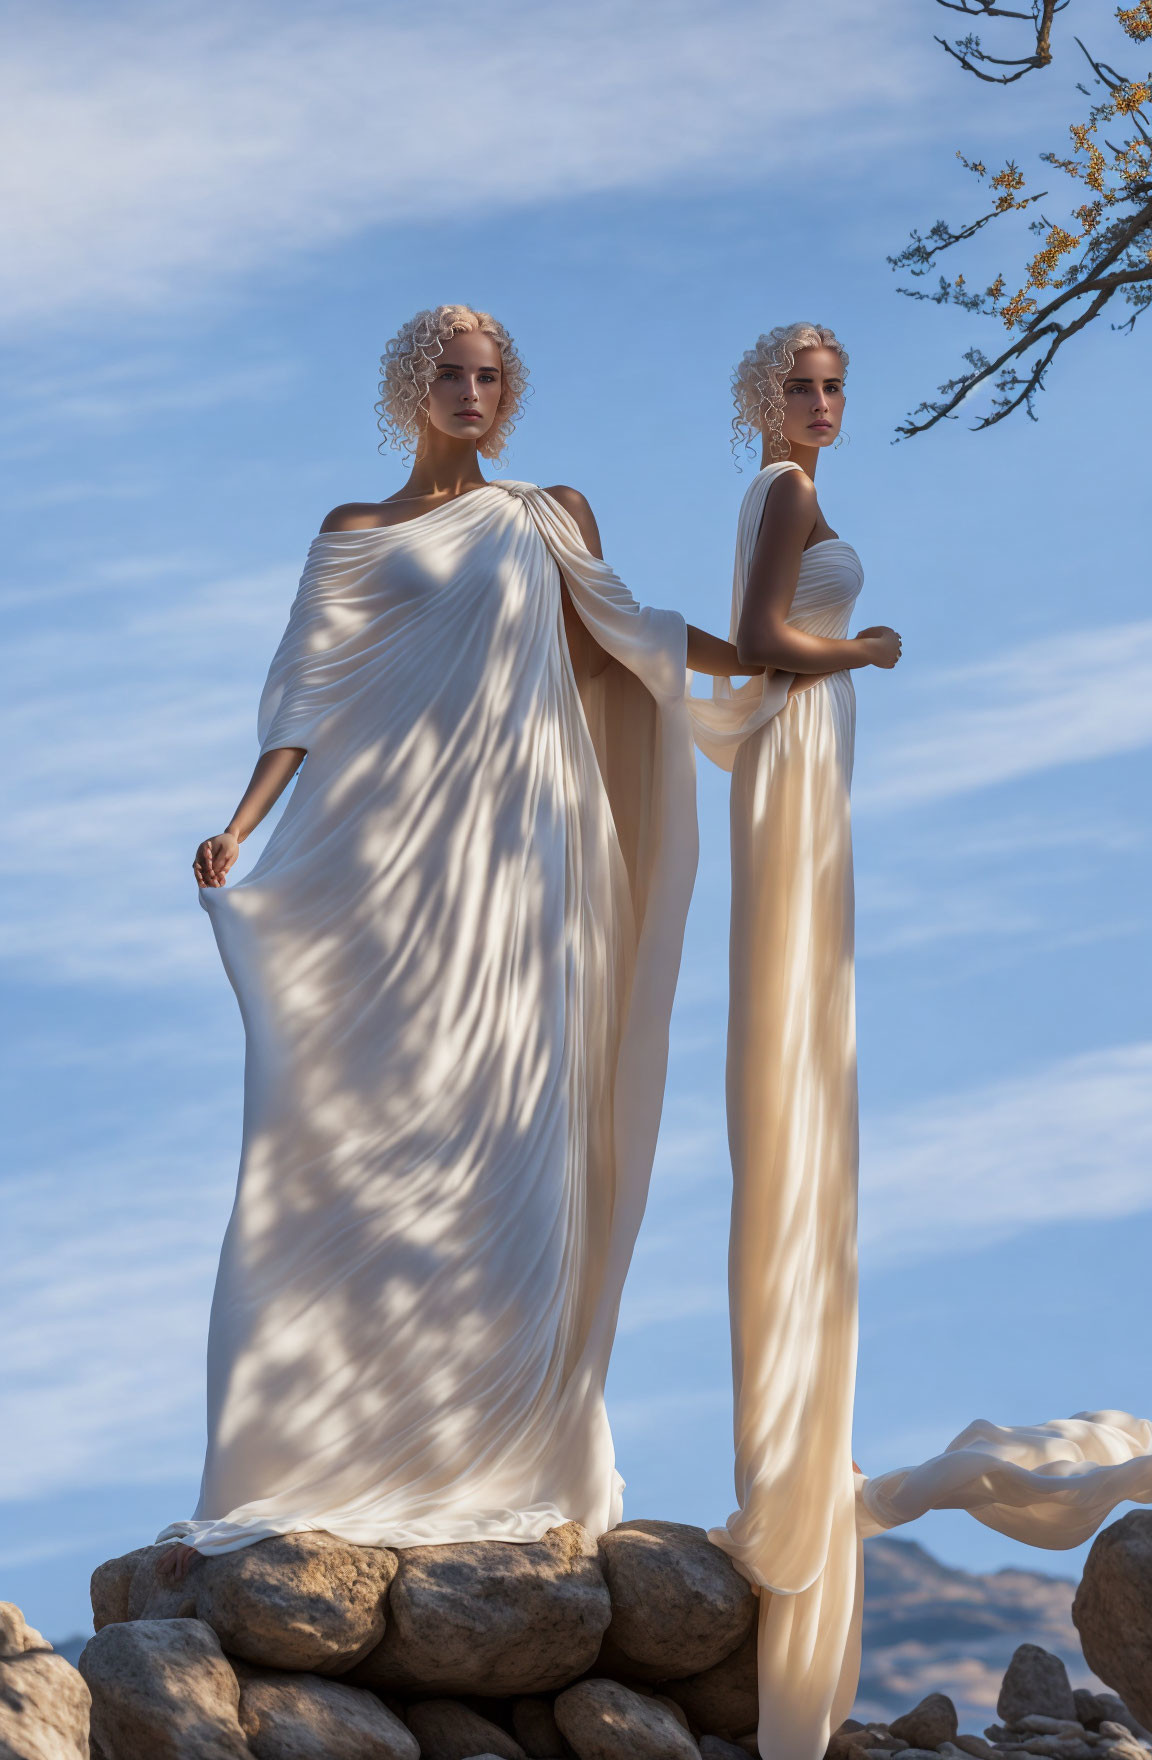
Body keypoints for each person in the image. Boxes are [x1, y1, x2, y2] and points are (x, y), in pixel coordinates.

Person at [158, 304, 744, 1582]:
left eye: (488, 376)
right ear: (410, 389)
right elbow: (307, 688)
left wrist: (763, 662)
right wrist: (242, 823)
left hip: (530, 862)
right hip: (388, 863)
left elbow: (631, 635)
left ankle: (512, 1451)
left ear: (508, 393)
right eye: (448, 374)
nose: (469, 391)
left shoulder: (549, 514)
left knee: (519, 1141)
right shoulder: (355, 532)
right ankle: (332, 1442)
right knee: (360, 1133)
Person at [690, 324, 1152, 1760]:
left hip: (807, 750)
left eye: (835, 388)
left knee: (815, 1057)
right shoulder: (777, 490)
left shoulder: (798, 490)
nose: (822, 407)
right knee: (797, 1067)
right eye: (801, 386)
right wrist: (867, 646)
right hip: (805, 727)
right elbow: (769, 641)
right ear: (762, 397)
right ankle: (791, 1505)